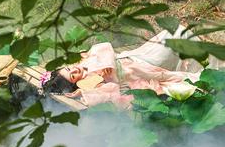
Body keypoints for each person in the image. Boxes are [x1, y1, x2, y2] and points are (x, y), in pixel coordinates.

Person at [41, 25, 203, 108]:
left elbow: (104, 47)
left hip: (136, 56)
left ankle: (200, 56)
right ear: (75, 82)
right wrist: (81, 91)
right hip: (143, 69)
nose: (75, 70)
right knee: (179, 35)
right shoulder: (91, 83)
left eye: (69, 68)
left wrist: (106, 63)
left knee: (176, 32)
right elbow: (110, 91)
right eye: (73, 76)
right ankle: (206, 66)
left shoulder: (84, 59)